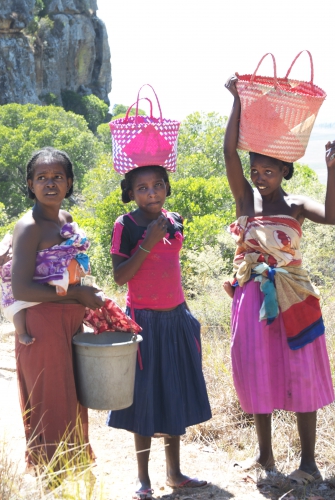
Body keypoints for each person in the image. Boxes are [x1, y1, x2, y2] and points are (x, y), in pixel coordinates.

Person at [223, 74, 335, 485]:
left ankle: (308, 462)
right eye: (255, 170)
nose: (259, 177)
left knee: (301, 372)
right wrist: (236, 100)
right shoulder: (246, 201)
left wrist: (331, 170)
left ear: (285, 171)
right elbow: (228, 152)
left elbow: (331, 217)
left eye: (269, 171)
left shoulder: (296, 206)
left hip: (293, 296)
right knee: (258, 371)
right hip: (253, 298)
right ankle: (265, 455)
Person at [106, 164, 212, 500]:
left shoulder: (174, 219)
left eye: (157, 186)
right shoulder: (126, 225)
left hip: (176, 317)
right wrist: (149, 241)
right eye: (142, 188)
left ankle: (175, 473)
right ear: (131, 193)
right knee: (143, 399)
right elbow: (121, 276)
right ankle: (143, 479)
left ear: (166, 188)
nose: (151, 193)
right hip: (143, 322)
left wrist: (161, 232)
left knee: (172, 394)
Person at [4, 147, 105, 468]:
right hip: (42, 324)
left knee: (72, 397)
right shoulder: (28, 227)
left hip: (69, 323)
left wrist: (83, 294)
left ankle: (73, 471)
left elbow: (67, 267)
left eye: (57, 177)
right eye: (42, 178)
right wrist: (78, 293)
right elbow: (21, 287)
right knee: (50, 401)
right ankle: (51, 478)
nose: (50, 184)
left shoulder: (66, 220)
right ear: (30, 184)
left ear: (70, 182)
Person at [0, 231, 90, 346]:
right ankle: (21, 334)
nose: (6, 258)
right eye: (1, 261)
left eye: (4, 253)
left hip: (38, 292)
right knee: (17, 312)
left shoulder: (21, 250)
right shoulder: (6, 269)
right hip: (14, 298)